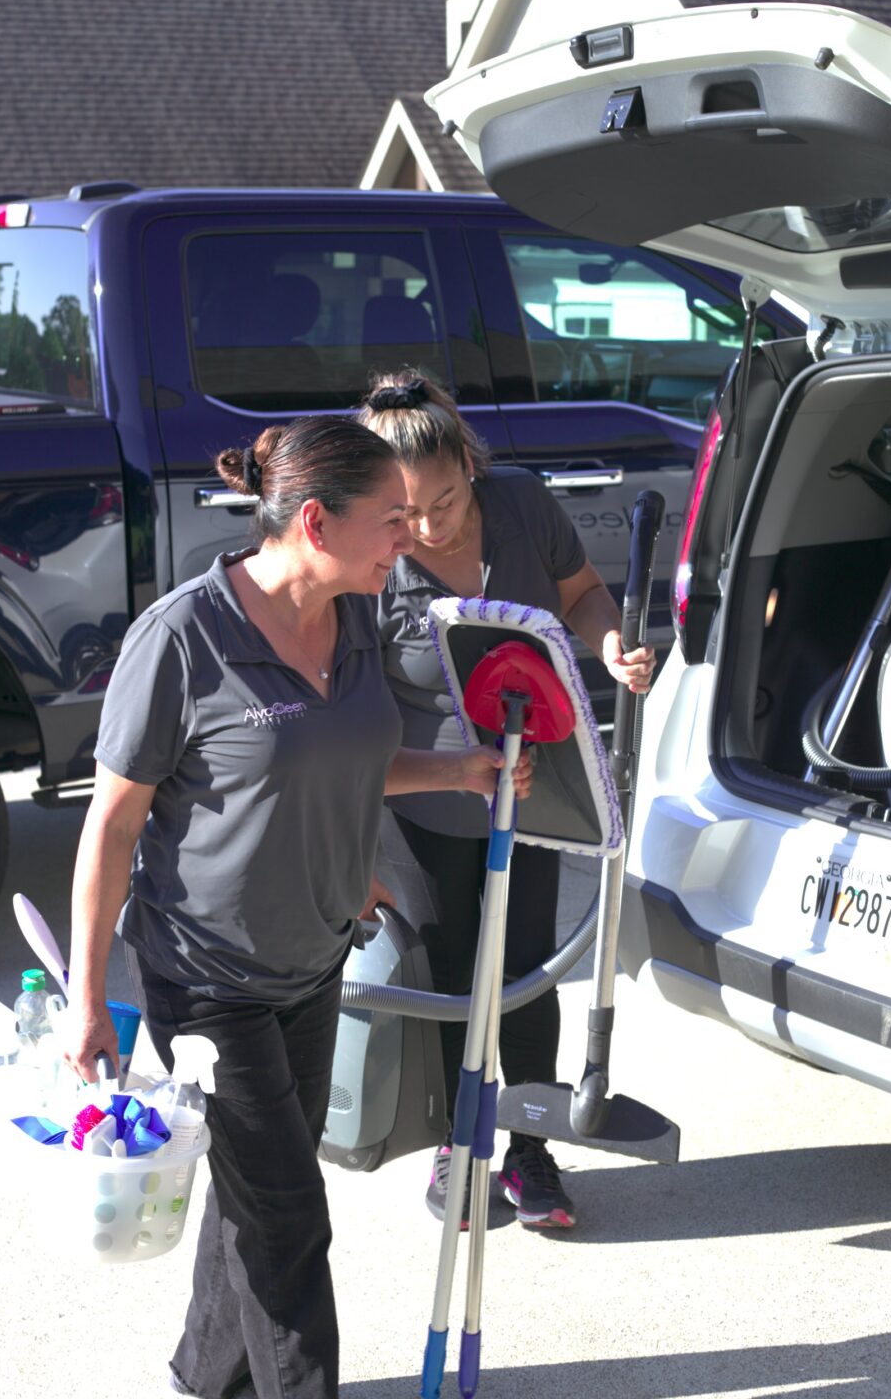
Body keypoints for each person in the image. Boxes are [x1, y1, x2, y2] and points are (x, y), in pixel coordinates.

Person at [61, 415, 530, 1399]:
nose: (408, 538)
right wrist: (85, 996)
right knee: (289, 1219)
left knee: (254, 1200)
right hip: (203, 976)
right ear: (315, 521)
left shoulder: (357, 615)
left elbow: (349, 761)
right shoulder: (185, 640)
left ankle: (209, 1373)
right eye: (390, 520)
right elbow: (109, 825)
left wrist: (458, 767)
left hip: (313, 958)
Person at [357, 370, 655, 1232]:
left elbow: (583, 594)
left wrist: (608, 646)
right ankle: (460, 1140)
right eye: (405, 512)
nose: (427, 526)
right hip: (420, 801)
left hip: (534, 787)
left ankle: (525, 1139)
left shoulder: (522, 505)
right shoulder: (374, 552)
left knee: (523, 969)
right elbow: (351, 705)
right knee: (455, 973)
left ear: (470, 464)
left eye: (444, 500)